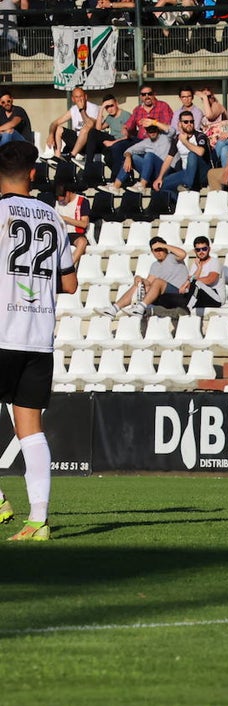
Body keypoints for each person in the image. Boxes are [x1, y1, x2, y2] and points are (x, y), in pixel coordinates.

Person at [0, 142, 77, 540]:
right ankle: (38, 521)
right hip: (38, 338)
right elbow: (70, 283)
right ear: (32, 174)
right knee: (30, 428)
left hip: (2, 331)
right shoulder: (54, 217)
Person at [101, 236, 191, 316]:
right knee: (139, 284)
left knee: (158, 281)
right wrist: (139, 279)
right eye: (155, 250)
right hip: (165, 296)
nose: (158, 253)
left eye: (160, 249)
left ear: (165, 249)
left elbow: (183, 254)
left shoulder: (172, 257)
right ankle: (114, 309)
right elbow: (148, 282)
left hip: (180, 294)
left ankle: (140, 308)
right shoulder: (155, 265)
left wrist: (163, 245)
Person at [154, 109, 210, 196]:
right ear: (180, 124)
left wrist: (185, 141)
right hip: (186, 172)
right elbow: (169, 158)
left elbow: (200, 152)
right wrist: (160, 177)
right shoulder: (177, 139)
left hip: (201, 173)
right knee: (162, 185)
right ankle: (177, 200)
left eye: (191, 121)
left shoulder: (200, 135)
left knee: (192, 154)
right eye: (186, 122)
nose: (189, 124)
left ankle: (188, 186)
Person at [54, 183, 89, 266]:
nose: (61, 202)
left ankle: (68, 266)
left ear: (68, 193)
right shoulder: (56, 203)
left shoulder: (82, 201)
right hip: (61, 233)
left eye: (63, 200)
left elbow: (84, 224)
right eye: (60, 201)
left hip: (75, 233)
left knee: (82, 242)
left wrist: (64, 218)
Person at [186, 236, 224, 310]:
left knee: (196, 284)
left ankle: (187, 308)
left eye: (204, 249)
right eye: (198, 250)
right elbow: (189, 283)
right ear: (195, 251)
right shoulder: (195, 264)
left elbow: (210, 280)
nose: (201, 252)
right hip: (201, 296)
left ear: (209, 249)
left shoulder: (214, 262)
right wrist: (199, 268)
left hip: (217, 298)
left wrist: (192, 281)